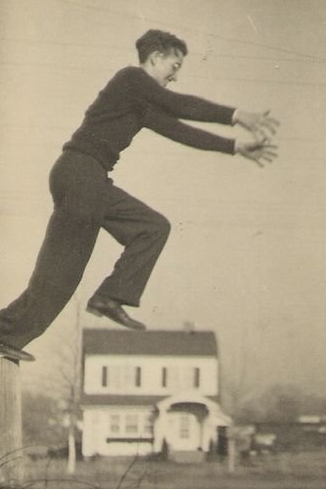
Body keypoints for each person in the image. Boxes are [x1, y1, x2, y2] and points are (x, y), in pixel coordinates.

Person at [0, 29, 278, 362]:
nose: (174, 77)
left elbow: (179, 129)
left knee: (148, 230)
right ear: (155, 57)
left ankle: (26, 327)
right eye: (173, 67)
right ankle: (75, 310)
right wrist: (236, 115)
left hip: (86, 179)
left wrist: (234, 146)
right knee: (65, 271)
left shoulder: (139, 103)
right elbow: (179, 106)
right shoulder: (130, 79)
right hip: (81, 173)